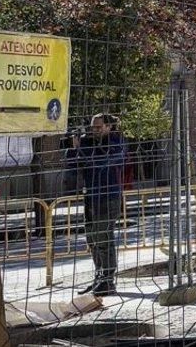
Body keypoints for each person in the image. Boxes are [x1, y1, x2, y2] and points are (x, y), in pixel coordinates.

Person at [71, 113, 127, 296]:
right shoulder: (89, 143)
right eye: (93, 127)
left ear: (109, 127)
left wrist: (82, 151)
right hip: (91, 195)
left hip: (109, 196)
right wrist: (75, 147)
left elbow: (103, 162)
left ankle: (108, 279)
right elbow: (74, 166)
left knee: (103, 236)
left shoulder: (116, 142)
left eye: (98, 127)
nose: (94, 130)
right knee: (92, 238)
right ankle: (99, 277)